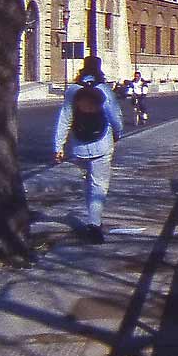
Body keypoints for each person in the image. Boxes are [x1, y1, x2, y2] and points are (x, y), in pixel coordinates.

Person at [54, 58, 126, 241]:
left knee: (88, 183)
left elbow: (65, 118)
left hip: (79, 145)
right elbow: (114, 116)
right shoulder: (103, 90)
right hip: (102, 143)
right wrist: (118, 133)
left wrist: (58, 146)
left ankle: (92, 217)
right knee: (99, 185)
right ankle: (94, 224)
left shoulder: (72, 90)